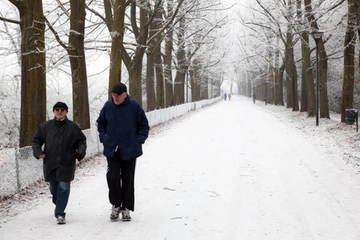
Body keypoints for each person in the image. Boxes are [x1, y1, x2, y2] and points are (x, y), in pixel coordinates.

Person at [96, 82, 150, 222]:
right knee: (112, 178)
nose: (115, 97)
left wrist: (138, 140)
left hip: (130, 149)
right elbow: (100, 123)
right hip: (112, 149)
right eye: (113, 95)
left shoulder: (134, 106)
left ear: (125, 94)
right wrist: (104, 138)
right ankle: (115, 205)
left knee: (128, 179)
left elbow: (144, 125)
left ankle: (126, 208)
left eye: (118, 95)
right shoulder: (108, 106)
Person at [32, 101, 87, 225]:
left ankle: (60, 214)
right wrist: (38, 152)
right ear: (54, 112)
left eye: (62, 109)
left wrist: (80, 152)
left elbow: (81, 141)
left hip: (67, 162)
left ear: (66, 112)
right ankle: (59, 204)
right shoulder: (45, 127)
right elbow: (36, 140)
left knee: (63, 187)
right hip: (50, 162)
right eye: (57, 109)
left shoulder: (73, 127)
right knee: (53, 189)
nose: (60, 111)